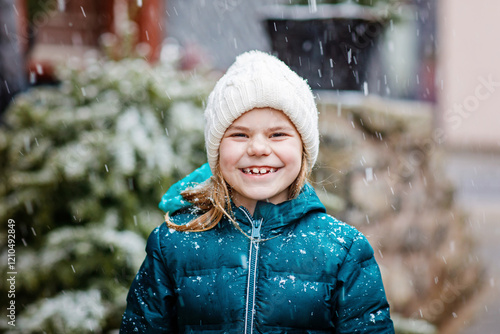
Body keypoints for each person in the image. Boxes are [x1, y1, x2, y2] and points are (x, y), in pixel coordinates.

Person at [120, 50, 394, 333]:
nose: (258, 148)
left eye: (277, 134)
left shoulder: (343, 251)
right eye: (240, 134)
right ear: (216, 150)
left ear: (303, 147)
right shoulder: (173, 244)